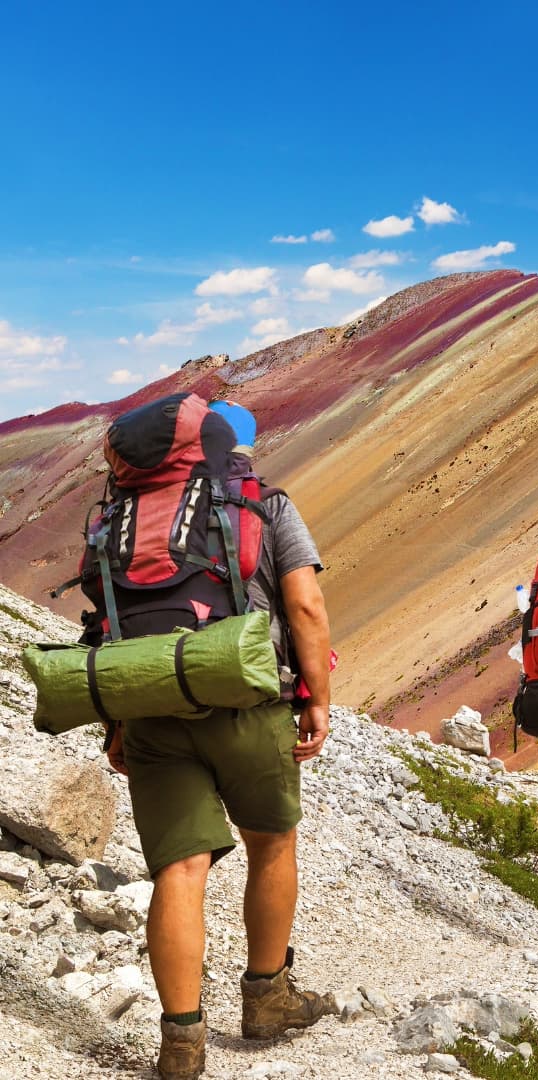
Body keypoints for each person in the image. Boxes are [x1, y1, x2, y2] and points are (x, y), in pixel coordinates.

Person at [98, 396, 333, 1079]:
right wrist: (317, 697)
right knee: (272, 842)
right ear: (237, 448)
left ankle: (181, 1043)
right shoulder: (264, 506)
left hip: (149, 705)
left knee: (179, 869)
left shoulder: (122, 516)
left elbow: (110, 620)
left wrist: (118, 720)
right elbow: (306, 606)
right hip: (247, 700)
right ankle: (267, 999)